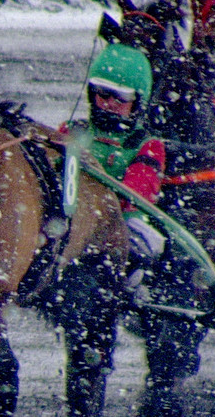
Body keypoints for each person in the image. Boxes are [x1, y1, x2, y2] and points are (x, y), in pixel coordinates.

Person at [65, 44, 167, 270]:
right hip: (69, 216)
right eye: (103, 93)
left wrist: (92, 206)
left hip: (120, 223)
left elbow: (135, 195)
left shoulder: (147, 145)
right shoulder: (72, 131)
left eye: (121, 97)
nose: (110, 103)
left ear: (137, 102)